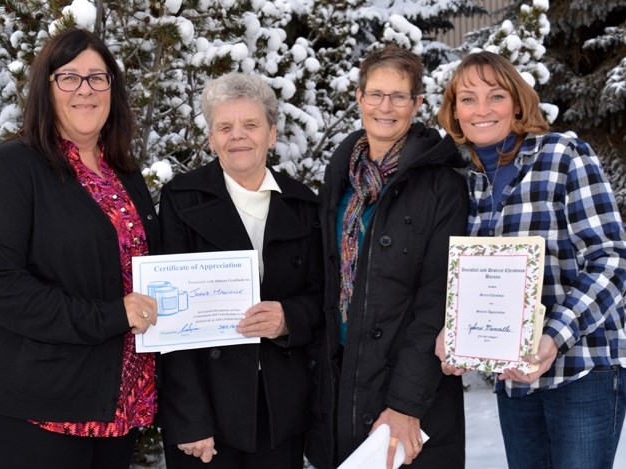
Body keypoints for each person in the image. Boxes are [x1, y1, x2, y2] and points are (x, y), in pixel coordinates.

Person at [0, 28, 160, 469]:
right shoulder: (10, 168)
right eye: (69, 77)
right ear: (46, 89)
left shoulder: (123, 172)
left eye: (97, 78)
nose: (84, 90)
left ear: (113, 90)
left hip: (113, 401)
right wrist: (110, 315)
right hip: (33, 401)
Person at [435, 50, 626, 469]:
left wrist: (553, 336)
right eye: (467, 99)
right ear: (454, 112)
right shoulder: (468, 183)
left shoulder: (563, 156)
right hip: (516, 381)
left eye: (495, 96)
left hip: (581, 371)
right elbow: (476, 280)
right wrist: (454, 334)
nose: (481, 109)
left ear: (518, 103)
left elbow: (610, 260)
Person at [305, 45, 468, 469]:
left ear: (417, 104)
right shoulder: (341, 177)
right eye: (376, 94)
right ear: (359, 98)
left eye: (399, 96)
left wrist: (405, 404)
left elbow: (439, 301)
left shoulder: (442, 185)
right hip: (343, 384)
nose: (386, 107)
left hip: (409, 391)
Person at [156, 72, 323, 469]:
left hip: (281, 404)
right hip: (208, 408)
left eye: (250, 125)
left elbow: (324, 299)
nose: (238, 136)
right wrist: (190, 419)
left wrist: (288, 318)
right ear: (211, 138)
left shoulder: (303, 204)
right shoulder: (181, 199)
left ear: (272, 134)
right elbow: (168, 315)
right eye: (224, 127)